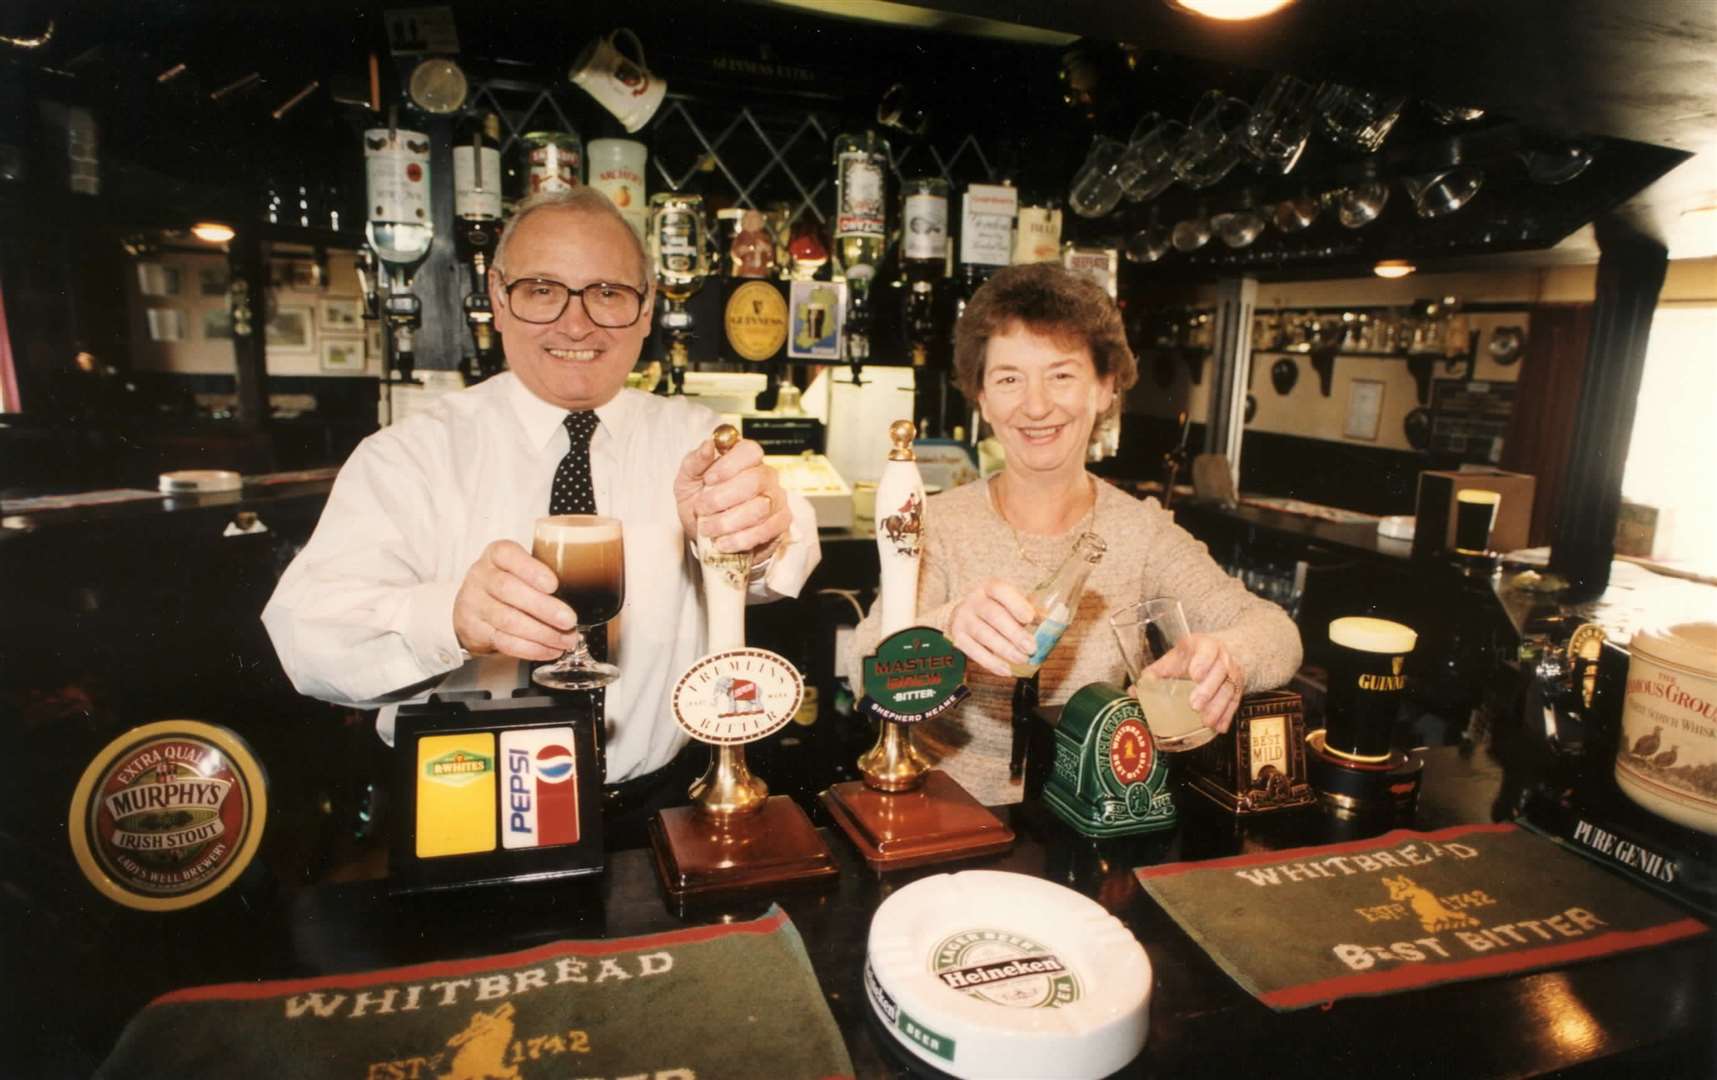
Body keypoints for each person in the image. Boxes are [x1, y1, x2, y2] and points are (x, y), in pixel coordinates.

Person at [264, 187, 820, 816]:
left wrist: (753, 530)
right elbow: (306, 638)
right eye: (541, 290)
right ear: (499, 299)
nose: (576, 323)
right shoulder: (410, 454)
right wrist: (450, 618)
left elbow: (790, 546)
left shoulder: (692, 436)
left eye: (608, 293)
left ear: (646, 312)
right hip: (467, 802)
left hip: (655, 805)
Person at [843, 263, 1300, 805]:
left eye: (1061, 375)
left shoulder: (1143, 530)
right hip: (942, 811)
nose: (1036, 406)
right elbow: (863, 668)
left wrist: (1227, 658)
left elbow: (1276, 632)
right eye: (1009, 378)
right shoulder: (938, 524)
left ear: (1105, 388)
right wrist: (944, 627)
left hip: (1088, 812)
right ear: (982, 397)